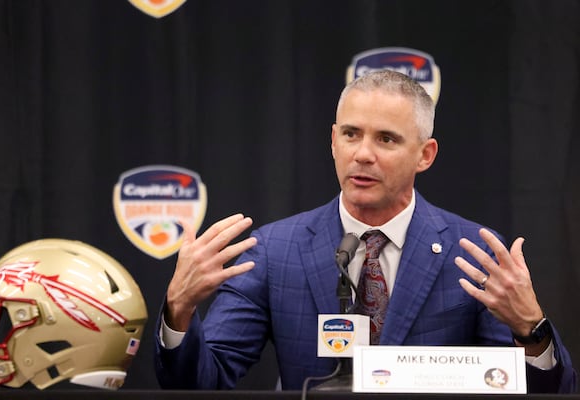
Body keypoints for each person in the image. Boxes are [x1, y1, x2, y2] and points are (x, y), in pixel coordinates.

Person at [154, 70, 577, 393]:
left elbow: (542, 391)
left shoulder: (472, 254)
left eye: (387, 140)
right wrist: (179, 310)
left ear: (425, 155)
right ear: (334, 141)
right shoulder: (274, 250)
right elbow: (200, 385)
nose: (363, 154)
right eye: (352, 134)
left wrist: (531, 329)